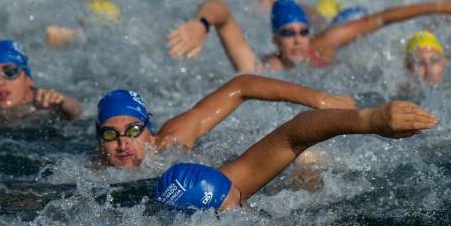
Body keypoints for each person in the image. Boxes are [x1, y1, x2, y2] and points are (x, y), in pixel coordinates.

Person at [154, 100, 439, 212]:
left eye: (242, 198)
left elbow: (293, 135)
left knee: (309, 170)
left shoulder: (218, 193)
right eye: (238, 205)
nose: (247, 208)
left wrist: (369, 120)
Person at [168, 0, 451, 73]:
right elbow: (220, 6)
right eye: (288, 33)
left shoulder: (322, 46)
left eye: (303, 31)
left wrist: (442, 5)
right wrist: (203, 23)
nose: (298, 39)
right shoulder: (257, 67)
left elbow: (382, 19)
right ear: (275, 38)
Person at [95, 75, 356, 168]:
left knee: (308, 161)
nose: (123, 142)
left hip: (230, 165)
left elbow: (241, 86)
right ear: (99, 143)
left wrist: (321, 100)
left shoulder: (171, 141)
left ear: (149, 133)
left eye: (133, 130)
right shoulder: (89, 175)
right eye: (110, 135)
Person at [0, 40, 82, 124]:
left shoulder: (44, 102)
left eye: (10, 72)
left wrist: (62, 102)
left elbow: (77, 111)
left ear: (28, 79)